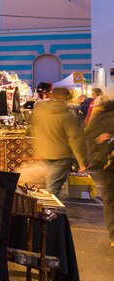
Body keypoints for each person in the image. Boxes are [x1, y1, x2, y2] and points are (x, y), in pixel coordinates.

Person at [28, 86, 87, 196]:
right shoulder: (67, 114)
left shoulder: (41, 111)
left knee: (46, 186)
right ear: (67, 97)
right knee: (52, 190)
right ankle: (47, 210)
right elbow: (74, 138)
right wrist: (82, 160)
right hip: (61, 154)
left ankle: (44, 209)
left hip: (43, 153)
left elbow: (33, 129)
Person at [86, 88, 114, 247]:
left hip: (106, 163)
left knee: (110, 199)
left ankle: (113, 235)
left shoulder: (99, 116)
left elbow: (89, 136)